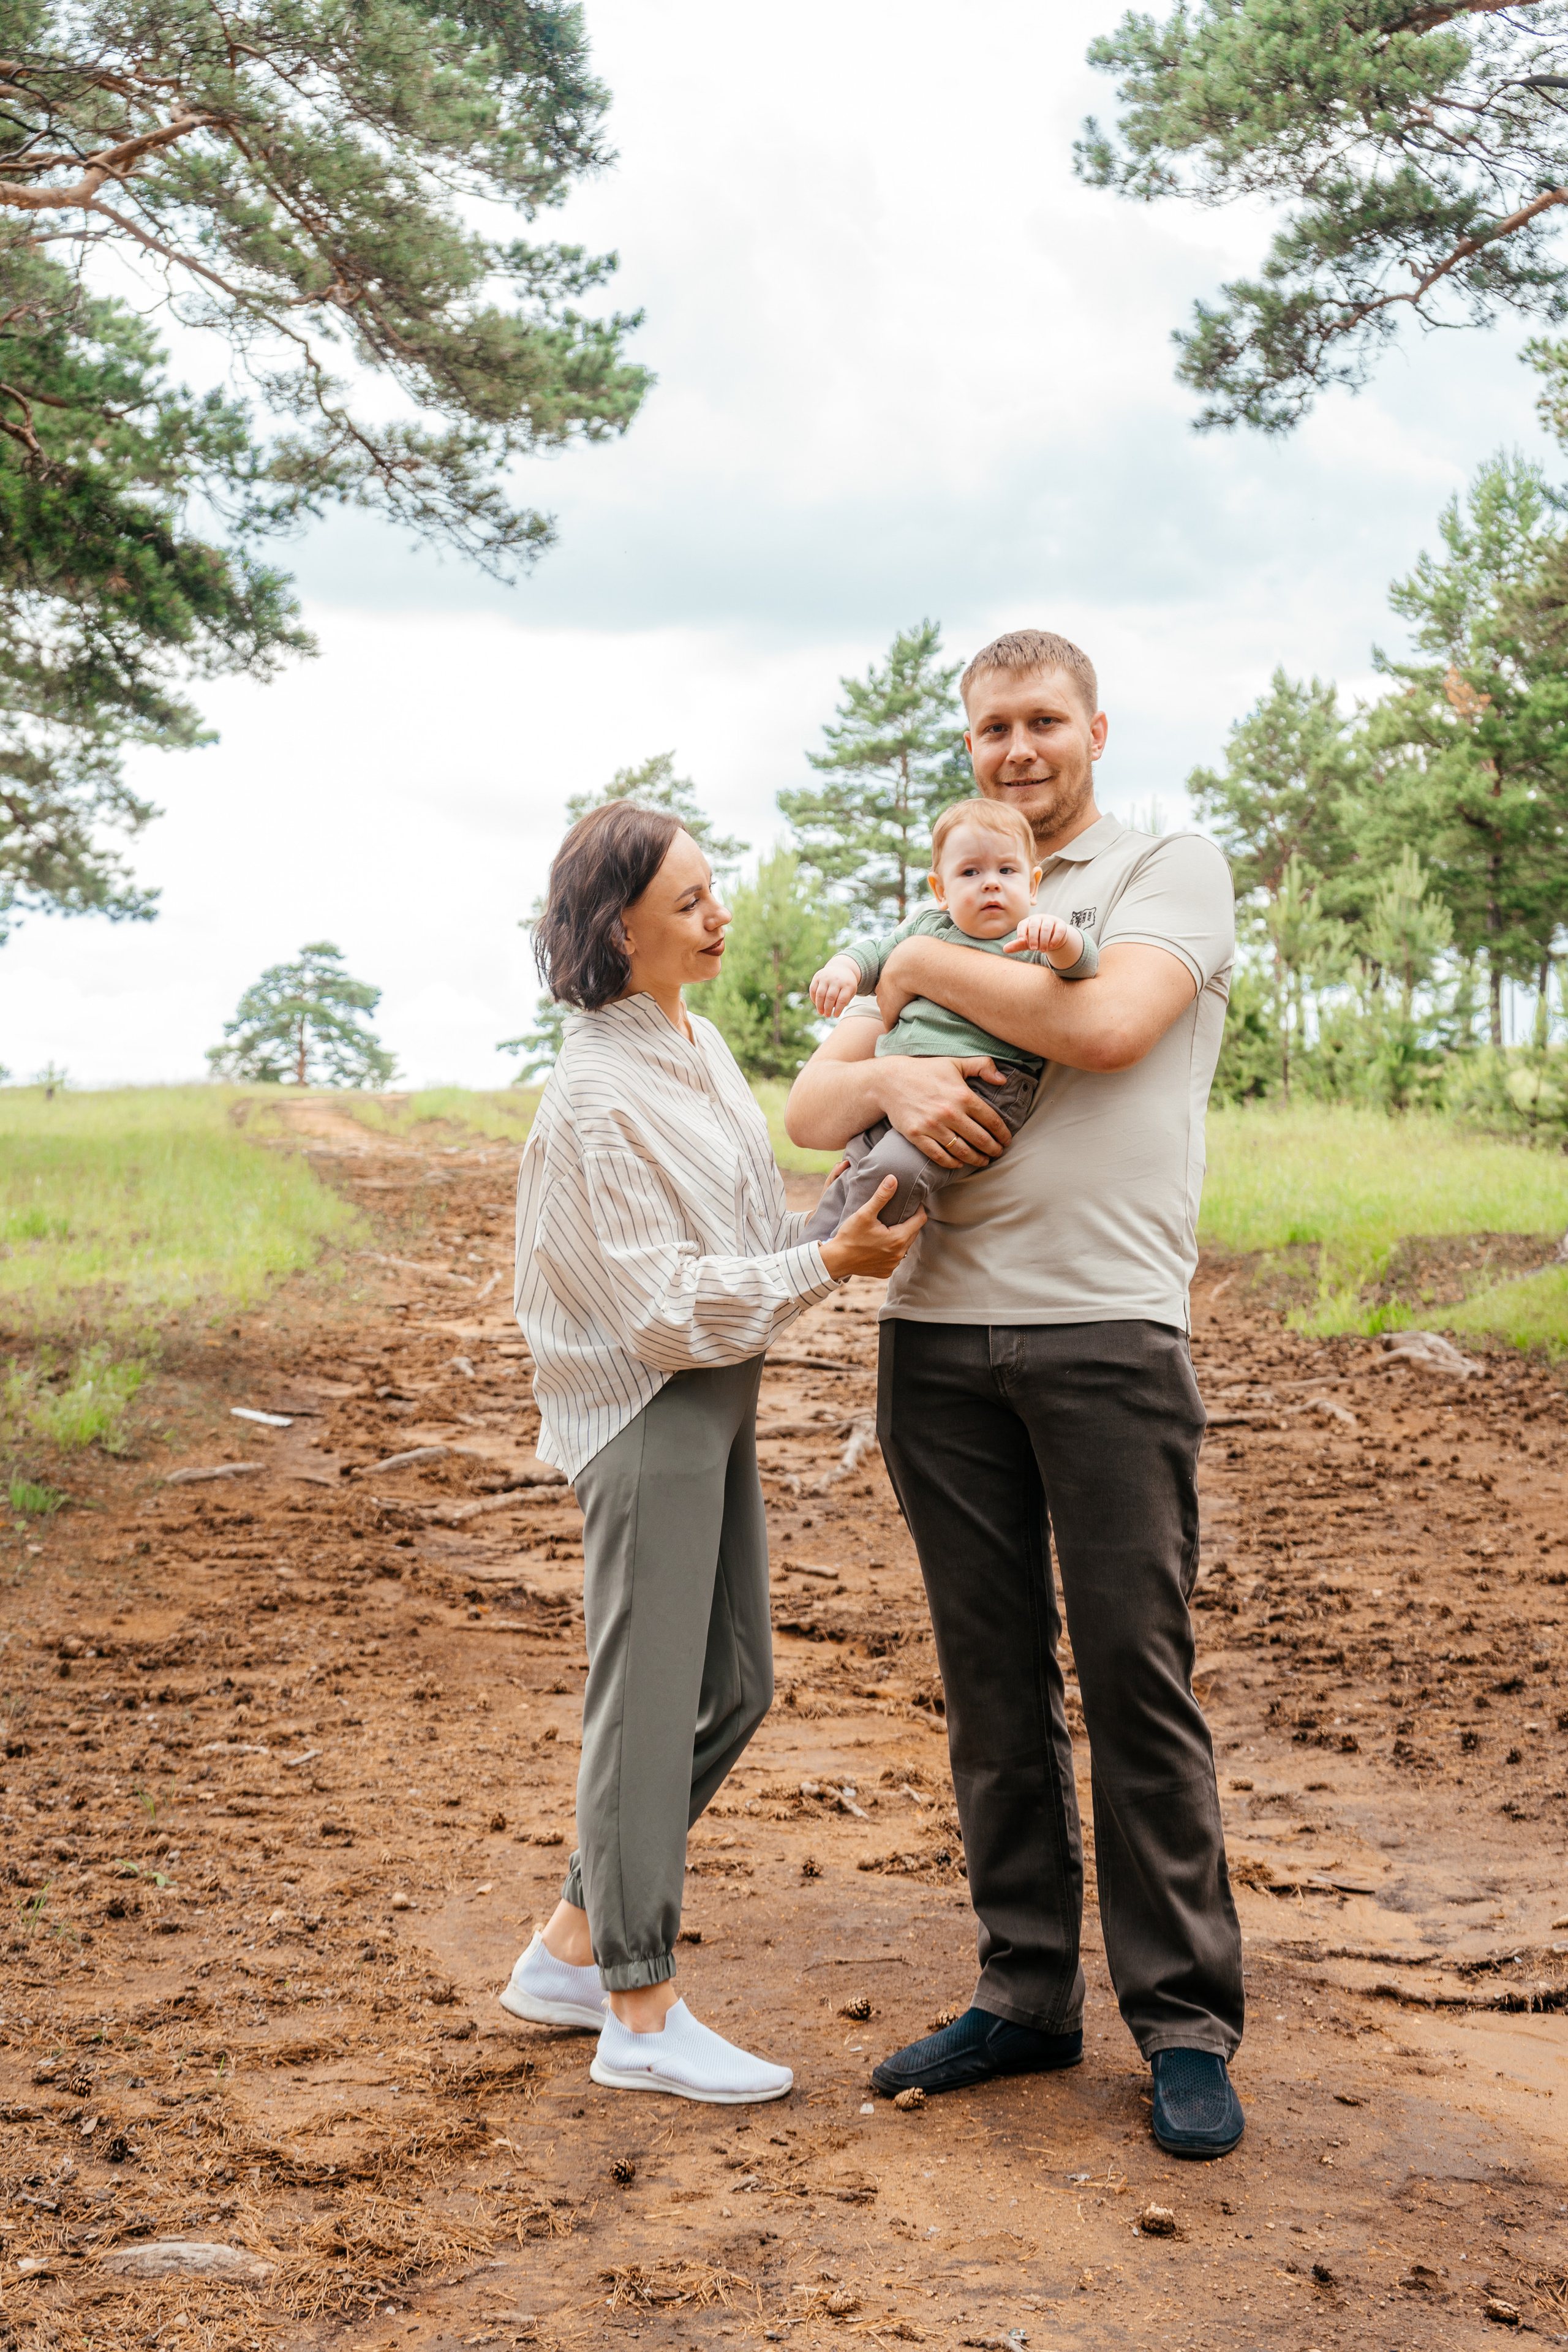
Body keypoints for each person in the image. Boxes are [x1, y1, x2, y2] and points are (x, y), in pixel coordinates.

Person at [785, 628, 1247, 2160]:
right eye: (990, 726)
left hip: (1107, 1327)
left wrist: (918, 970)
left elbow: (1105, 1026)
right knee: (990, 1683)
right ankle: (1023, 1990)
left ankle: (1180, 2020)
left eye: (1041, 719)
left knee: (1133, 1674)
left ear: (1095, 727)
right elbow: (811, 1107)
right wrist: (897, 1077)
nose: (1015, 748)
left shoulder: (1158, 869)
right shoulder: (939, 888)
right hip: (934, 1337)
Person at [501, 800, 923, 2105]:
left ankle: (570, 1947)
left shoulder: (696, 1037)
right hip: (647, 1406)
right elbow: (655, 1307)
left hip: (713, 1393)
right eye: (689, 902)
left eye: (711, 890)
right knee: (643, 1706)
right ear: (613, 926)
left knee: (735, 1684)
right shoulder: (590, 1091)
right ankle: (636, 2008)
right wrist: (821, 1264)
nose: (718, 913)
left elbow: (743, 1223)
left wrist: (835, 1214)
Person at [801, 796, 1095, 1242]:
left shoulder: (1030, 938)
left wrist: (1064, 940)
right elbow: (874, 953)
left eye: (1007, 871)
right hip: (901, 1088)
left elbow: (1083, 968)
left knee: (891, 1170)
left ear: (1033, 884)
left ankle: (844, 1249)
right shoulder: (927, 926)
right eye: (971, 872)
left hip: (986, 1088)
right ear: (940, 890)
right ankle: (806, 1260)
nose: (990, 884)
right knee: (854, 1164)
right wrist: (843, 969)